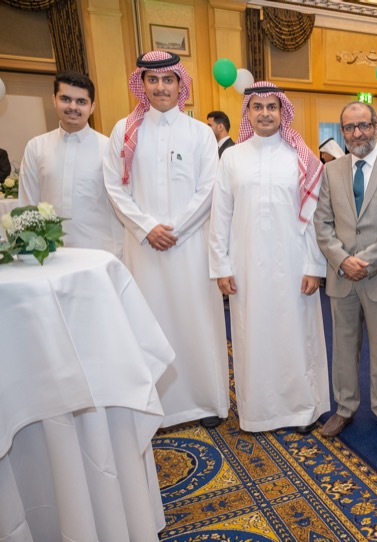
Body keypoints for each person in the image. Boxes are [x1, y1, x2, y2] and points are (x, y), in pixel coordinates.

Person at [103, 51, 228, 429]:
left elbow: (209, 188)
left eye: (168, 80)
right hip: (143, 249)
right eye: (153, 80)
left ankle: (206, 401)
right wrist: (147, 228)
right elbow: (114, 187)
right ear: (142, 84)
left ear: (180, 85)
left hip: (189, 248)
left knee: (197, 321)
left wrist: (173, 229)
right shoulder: (124, 130)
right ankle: (155, 409)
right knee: (148, 323)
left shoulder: (200, 133)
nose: (160, 87)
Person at [209, 82, 329, 433]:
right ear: (247, 113)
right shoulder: (232, 158)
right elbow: (220, 215)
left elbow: (314, 219)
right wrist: (221, 265)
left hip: (294, 264)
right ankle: (258, 413)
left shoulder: (301, 157)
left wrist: (314, 266)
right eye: (257, 107)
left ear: (282, 112)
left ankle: (302, 410)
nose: (265, 113)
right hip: (246, 266)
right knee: (253, 337)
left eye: (271, 107)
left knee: (297, 337)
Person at [315, 101, 377, 439]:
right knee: (343, 347)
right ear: (342, 132)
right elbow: (322, 223)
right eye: (349, 127)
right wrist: (343, 260)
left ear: (375, 127)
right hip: (342, 275)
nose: (357, 133)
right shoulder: (330, 171)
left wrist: (366, 261)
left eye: (363, 125)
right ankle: (344, 407)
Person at [19, 71, 123, 257]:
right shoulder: (36, 147)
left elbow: (121, 204)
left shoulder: (109, 148)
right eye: (65, 99)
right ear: (54, 100)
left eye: (81, 101)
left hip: (100, 252)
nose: (73, 107)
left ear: (92, 107)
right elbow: (28, 204)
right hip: (51, 252)